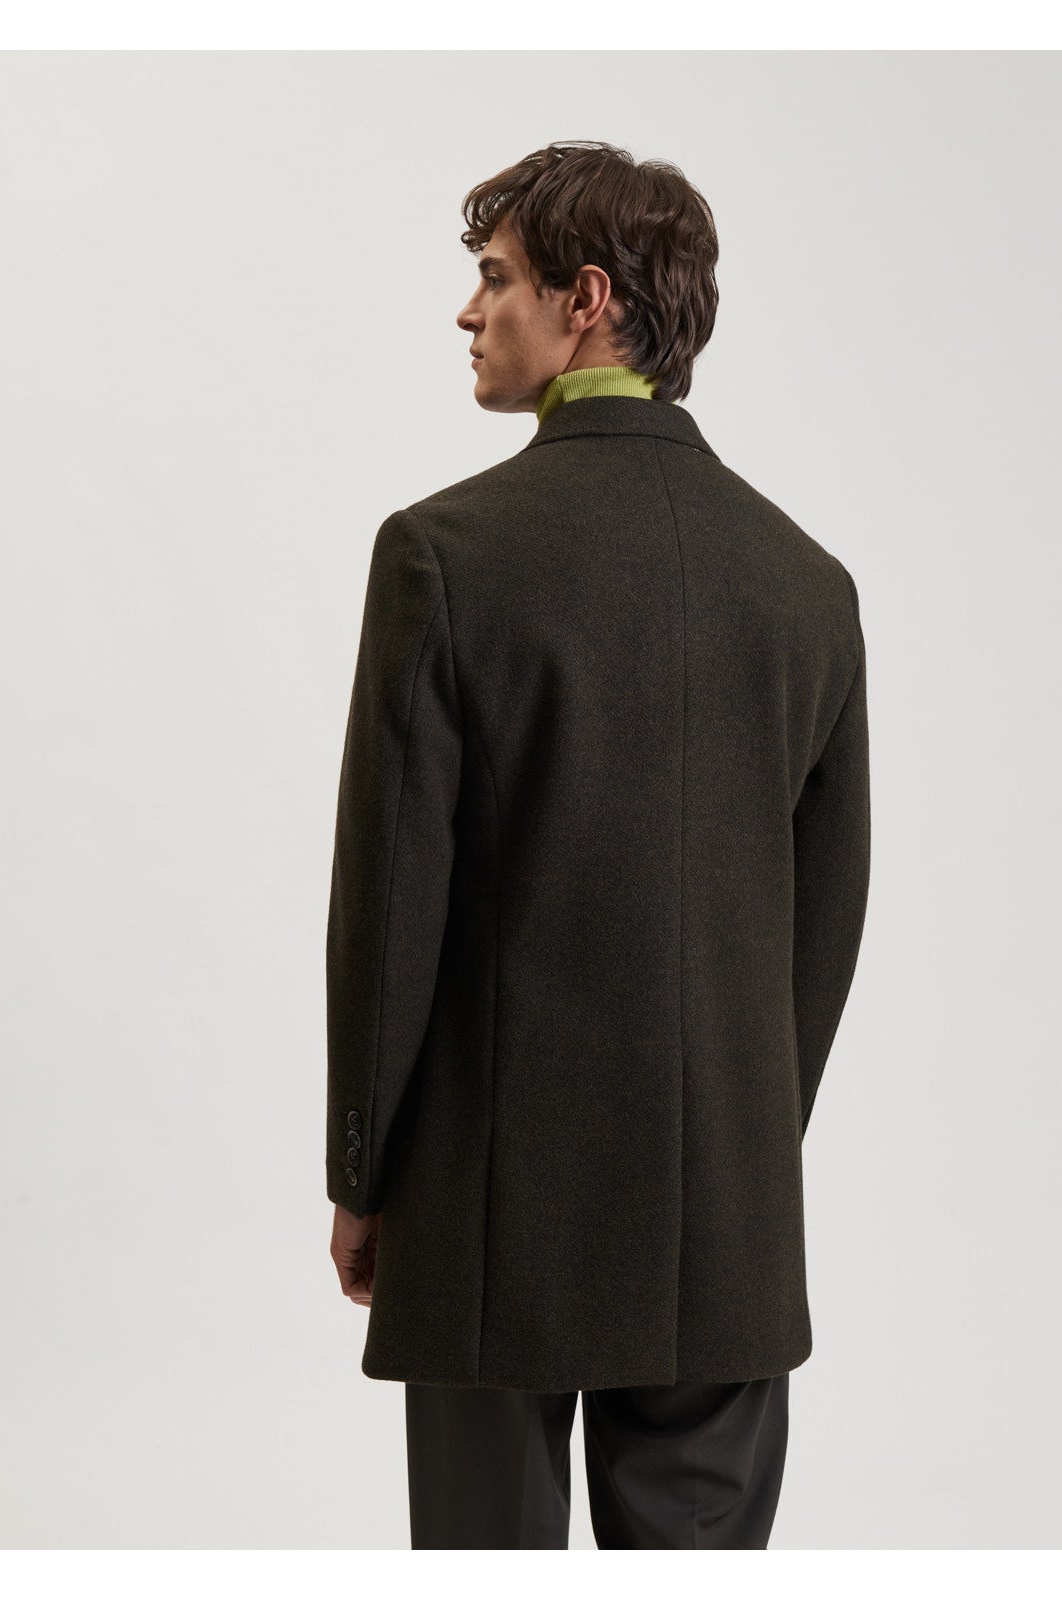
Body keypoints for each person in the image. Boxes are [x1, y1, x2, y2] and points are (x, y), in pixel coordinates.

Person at [325, 140, 871, 1549]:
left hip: (484, 1212)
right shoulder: (808, 585)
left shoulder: (444, 555)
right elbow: (825, 920)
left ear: (586, 301)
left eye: (494, 279)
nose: (467, 312)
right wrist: (741, 1139)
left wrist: (364, 1176)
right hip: (725, 1221)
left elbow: (390, 907)